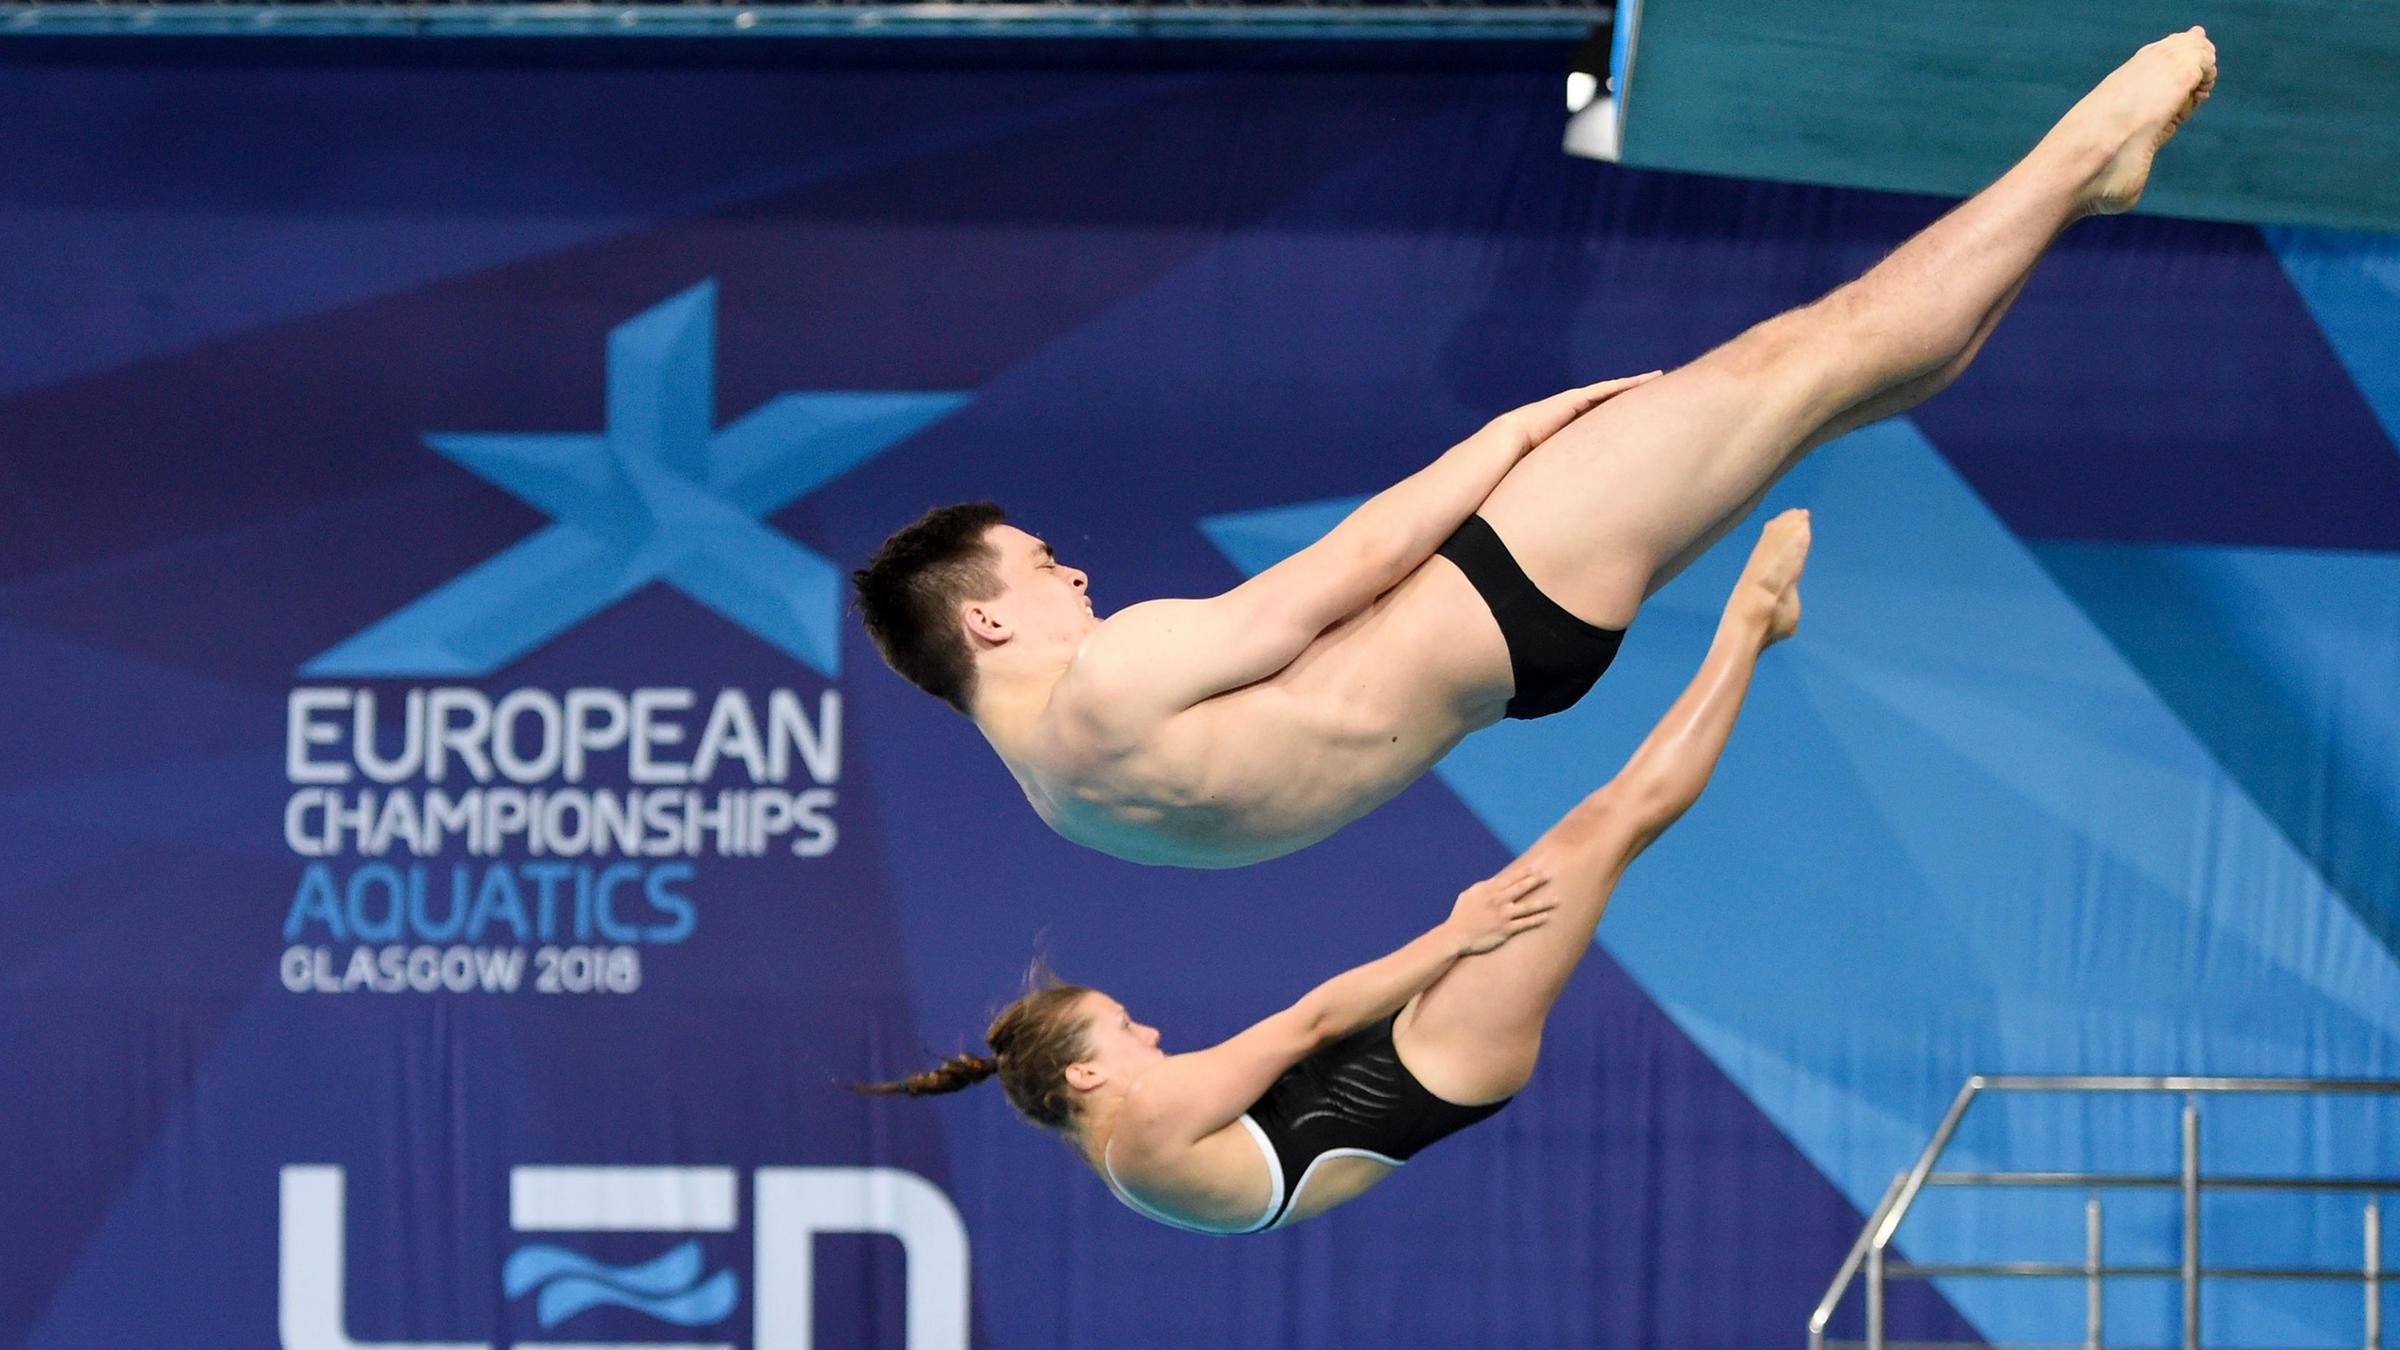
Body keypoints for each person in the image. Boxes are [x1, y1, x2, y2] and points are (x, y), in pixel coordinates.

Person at [851, 32, 2215, 869]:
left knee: (1831, 393)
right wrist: (1510, 432)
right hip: (1498, 579)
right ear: (984, 617)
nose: (1074, 572)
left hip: (1515, 663)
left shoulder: (1066, 803)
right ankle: (2084, 149)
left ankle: (2072, 203)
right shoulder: (1106, 682)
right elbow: (1347, 566)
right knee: (1813, 353)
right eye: (1042, 565)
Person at [857, 513, 1806, 1233]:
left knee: (1606, 825)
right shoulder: (1145, 1126)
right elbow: (1309, 1024)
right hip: (1433, 1064)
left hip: (1403, 1065)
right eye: (1125, 1028)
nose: (1150, 1030)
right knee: (1611, 823)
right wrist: (1457, 937)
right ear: (1087, 1072)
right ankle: (1750, 626)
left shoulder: (1127, 1153)